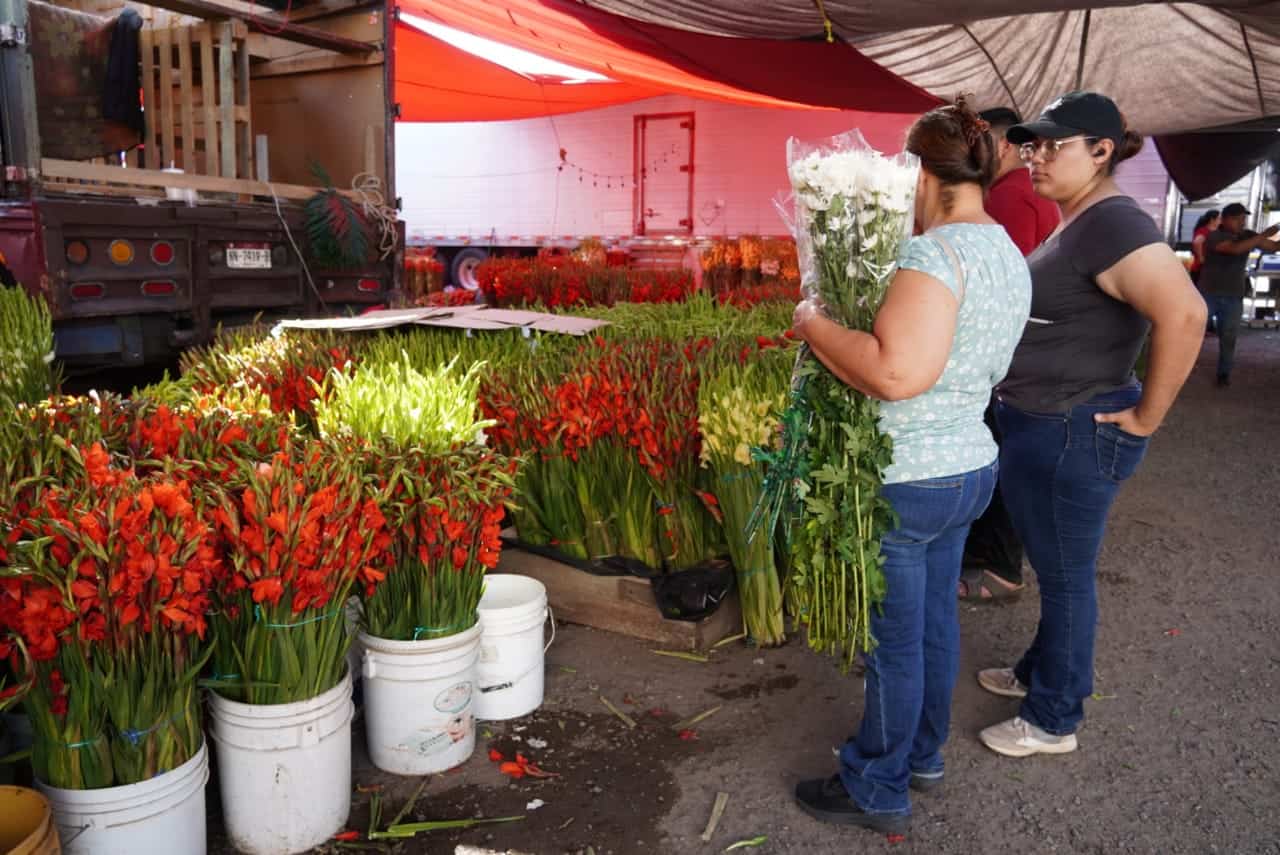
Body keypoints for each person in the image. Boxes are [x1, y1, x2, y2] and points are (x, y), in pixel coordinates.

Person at [790, 97, 1031, 834]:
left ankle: (877, 782)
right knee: (931, 624)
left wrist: (814, 323)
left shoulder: (935, 255)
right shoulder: (1005, 252)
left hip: (910, 476)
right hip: (966, 469)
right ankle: (923, 753)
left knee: (895, 638)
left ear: (924, 177)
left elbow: (895, 373)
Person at [977, 92, 1207, 759]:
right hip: (1044, 421)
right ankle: (1034, 673)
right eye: (1033, 145)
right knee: (1058, 567)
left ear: (1102, 150)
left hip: (1073, 427)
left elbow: (1185, 314)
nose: (1037, 156)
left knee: (1067, 575)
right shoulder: (1077, 220)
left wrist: (1144, 418)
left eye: (1055, 145)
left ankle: (1054, 716)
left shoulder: (1112, 222)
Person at [956, 108, 1062, 602]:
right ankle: (992, 560)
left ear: (994, 146)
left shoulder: (1006, 197)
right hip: (1029, 355)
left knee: (997, 459)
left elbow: (1001, 285)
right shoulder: (1034, 195)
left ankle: (999, 569)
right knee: (1006, 457)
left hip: (1007, 358)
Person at [1199, 202, 1280, 386]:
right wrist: (1262, 236)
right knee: (1192, 334)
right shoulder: (1214, 236)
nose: (1242, 222)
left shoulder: (1248, 236)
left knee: (1229, 338)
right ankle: (1177, 370)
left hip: (1233, 295)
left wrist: (1262, 238)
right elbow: (1234, 249)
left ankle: (1223, 375)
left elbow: (1274, 247)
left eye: (1243, 219)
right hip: (1208, 293)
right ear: (1225, 219)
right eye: (1238, 219)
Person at [1188, 209, 1221, 287]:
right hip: (1201, 269)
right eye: (1219, 218)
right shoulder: (1204, 231)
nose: (1221, 221)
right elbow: (1197, 242)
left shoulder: (1215, 232)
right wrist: (1201, 257)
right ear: (1212, 220)